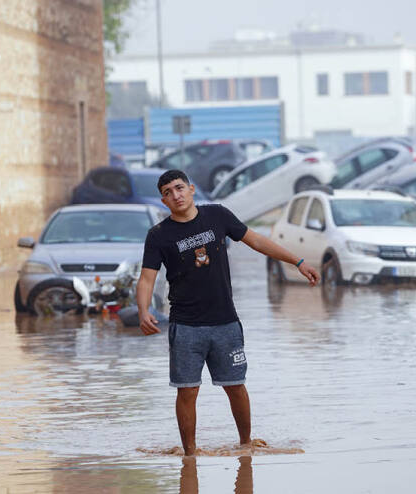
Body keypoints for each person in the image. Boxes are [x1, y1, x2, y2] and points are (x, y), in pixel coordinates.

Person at [136, 169, 319, 457]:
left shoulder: (218, 216)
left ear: (192, 189)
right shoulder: (159, 235)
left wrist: (297, 261)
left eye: (179, 188)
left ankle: (246, 444)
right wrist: (143, 310)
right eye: (168, 192)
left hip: (225, 322)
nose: (176, 195)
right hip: (185, 326)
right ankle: (190, 455)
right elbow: (147, 277)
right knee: (187, 391)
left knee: (235, 386)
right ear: (163, 200)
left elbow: (256, 240)